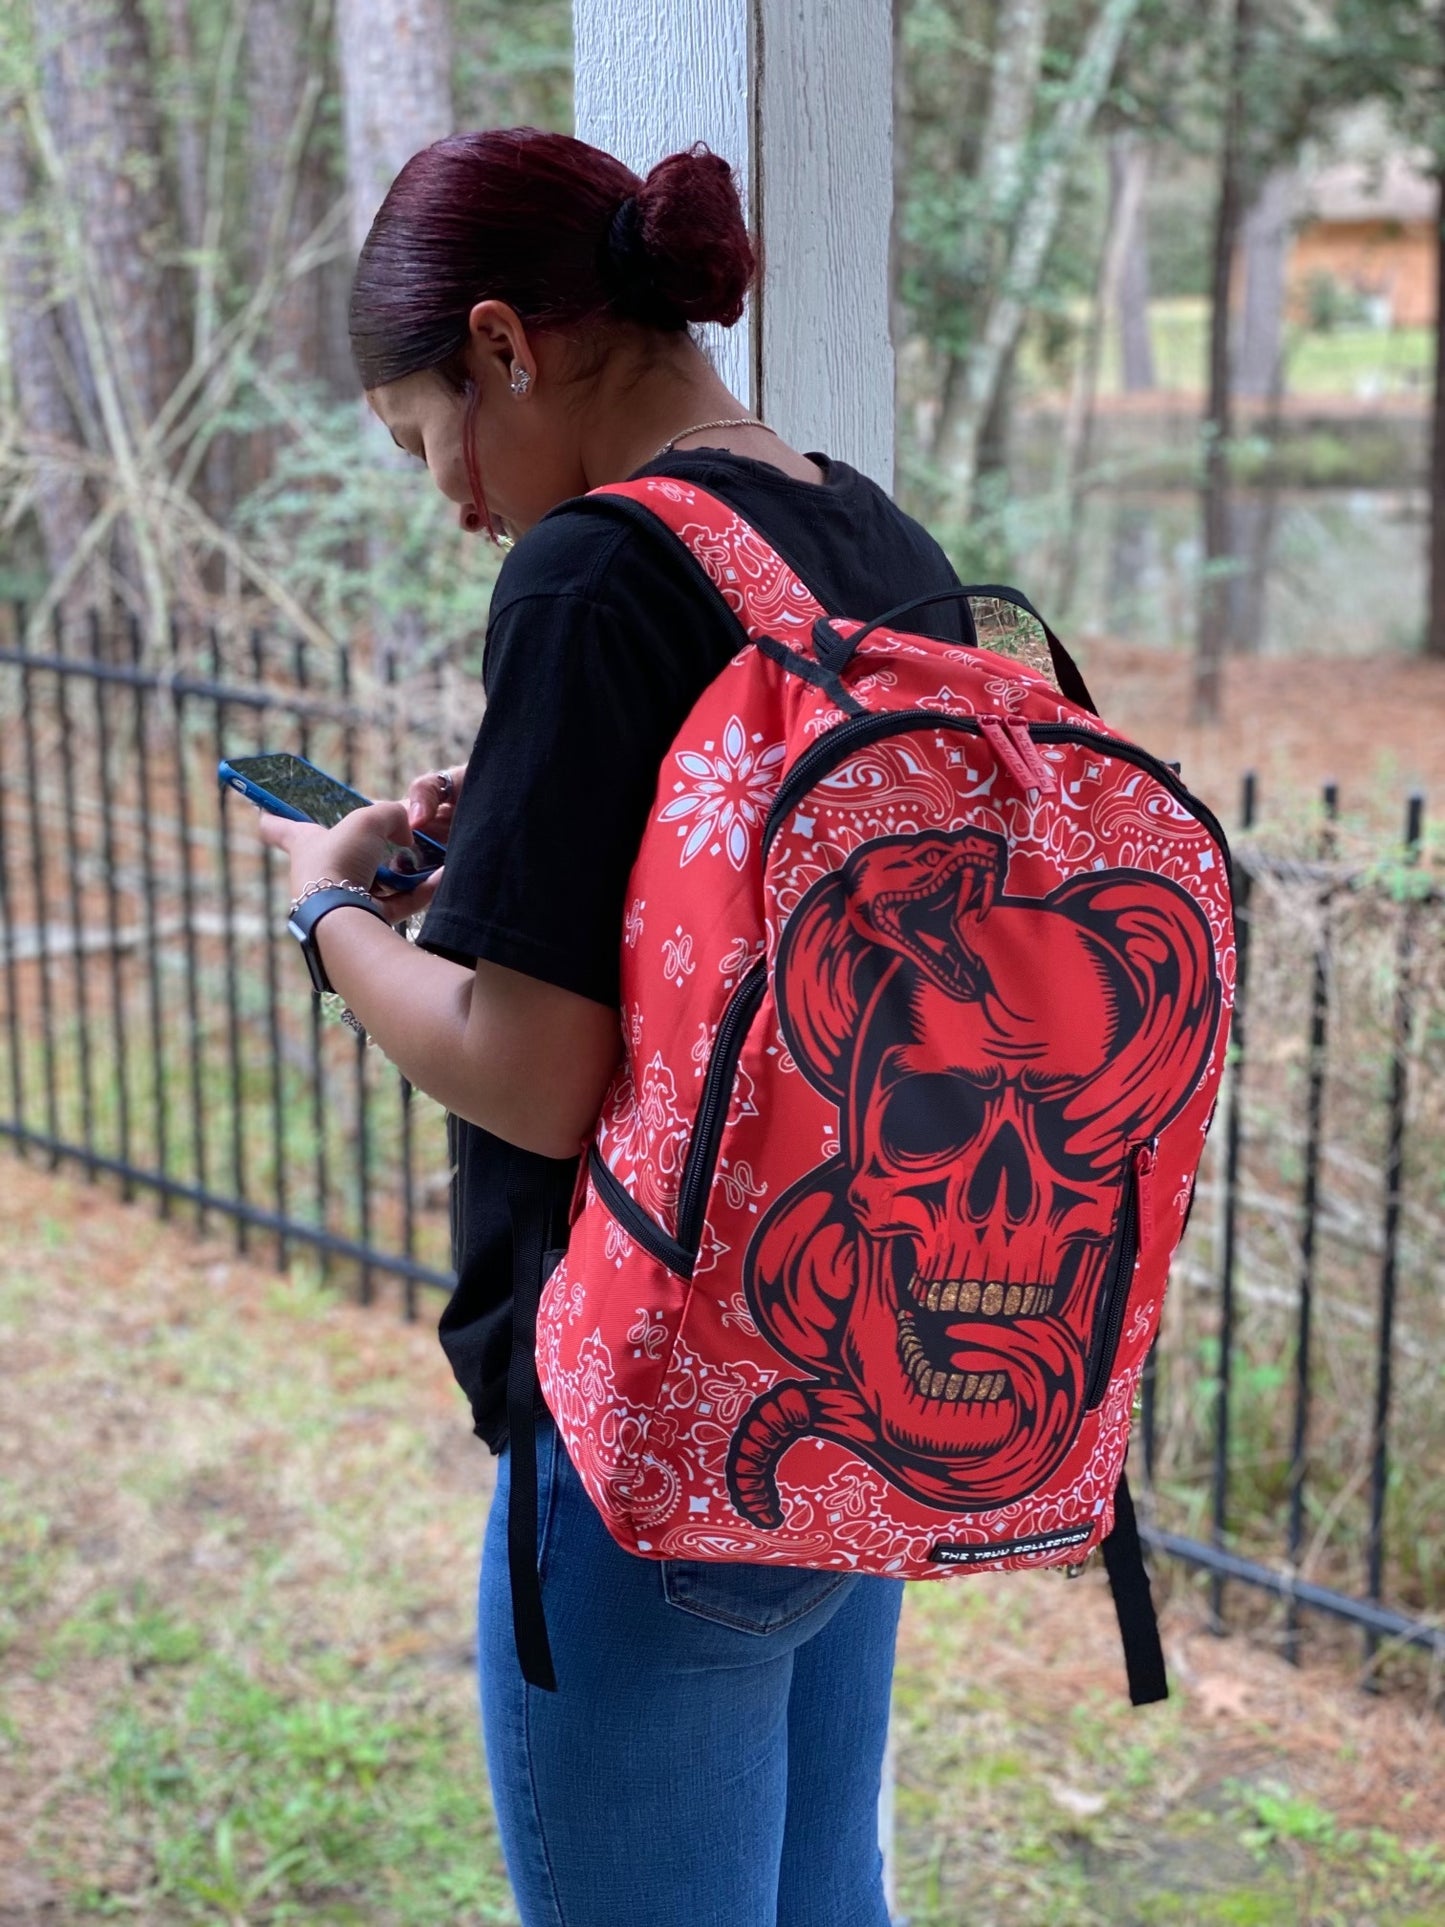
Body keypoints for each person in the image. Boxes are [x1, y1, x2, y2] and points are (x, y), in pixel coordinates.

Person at [254, 126, 967, 1927]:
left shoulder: (593, 570)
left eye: (427, 442)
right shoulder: (858, 530)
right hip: (846, 1366)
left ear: (504, 342)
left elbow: (533, 1068)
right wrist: (511, 834)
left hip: (652, 1417)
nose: (458, 502)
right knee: (825, 1905)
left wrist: (328, 907)